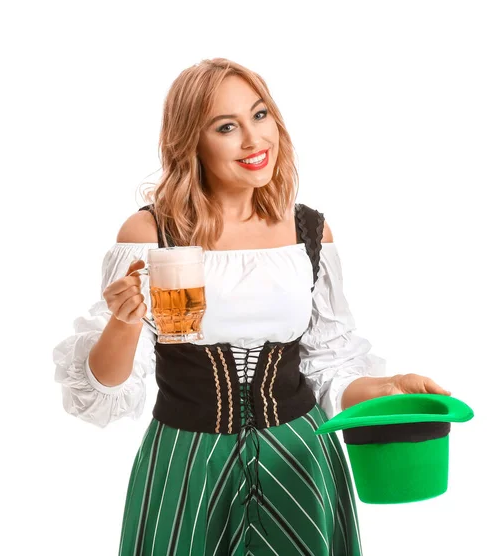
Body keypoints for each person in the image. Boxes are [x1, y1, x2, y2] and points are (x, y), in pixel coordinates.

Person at [53, 58, 451, 556]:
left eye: (260, 116)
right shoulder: (152, 236)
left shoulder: (309, 233)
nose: (252, 140)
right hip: (187, 461)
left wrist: (386, 388)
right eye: (226, 126)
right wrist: (123, 320)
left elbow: (330, 365)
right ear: (191, 143)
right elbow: (104, 392)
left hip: (300, 456)